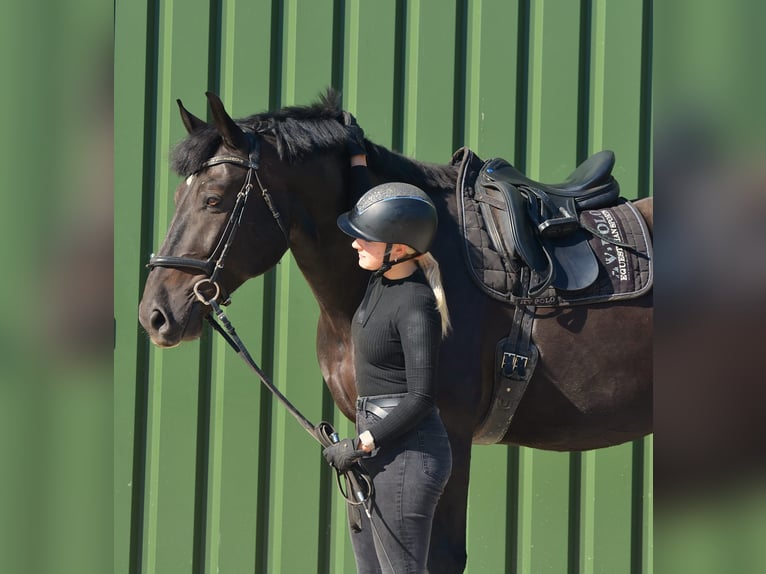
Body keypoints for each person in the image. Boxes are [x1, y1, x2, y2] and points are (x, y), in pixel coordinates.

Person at [322, 113, 453, 573]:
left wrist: (361, 444)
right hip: (376, 451)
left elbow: (421, 397)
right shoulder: (381, 277)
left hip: (406, 459)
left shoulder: (415, 303)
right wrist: (357, 159)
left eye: (366, 238)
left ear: (398, 247)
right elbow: (376, 211)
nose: (355, 243)